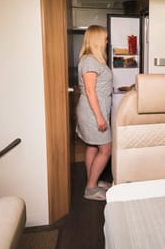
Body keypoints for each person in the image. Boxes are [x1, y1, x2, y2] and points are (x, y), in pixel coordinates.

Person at [76, 25, 113, 201]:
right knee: (106, 149)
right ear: (98, 40)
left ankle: (93, 181)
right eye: (105, 38)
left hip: (92, 109)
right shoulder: (90, 61)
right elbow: (91, 92)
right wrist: (100, 117)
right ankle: (90, 189)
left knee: (92, 146)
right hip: (93, 112)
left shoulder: (91, 60)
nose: (107, 41)